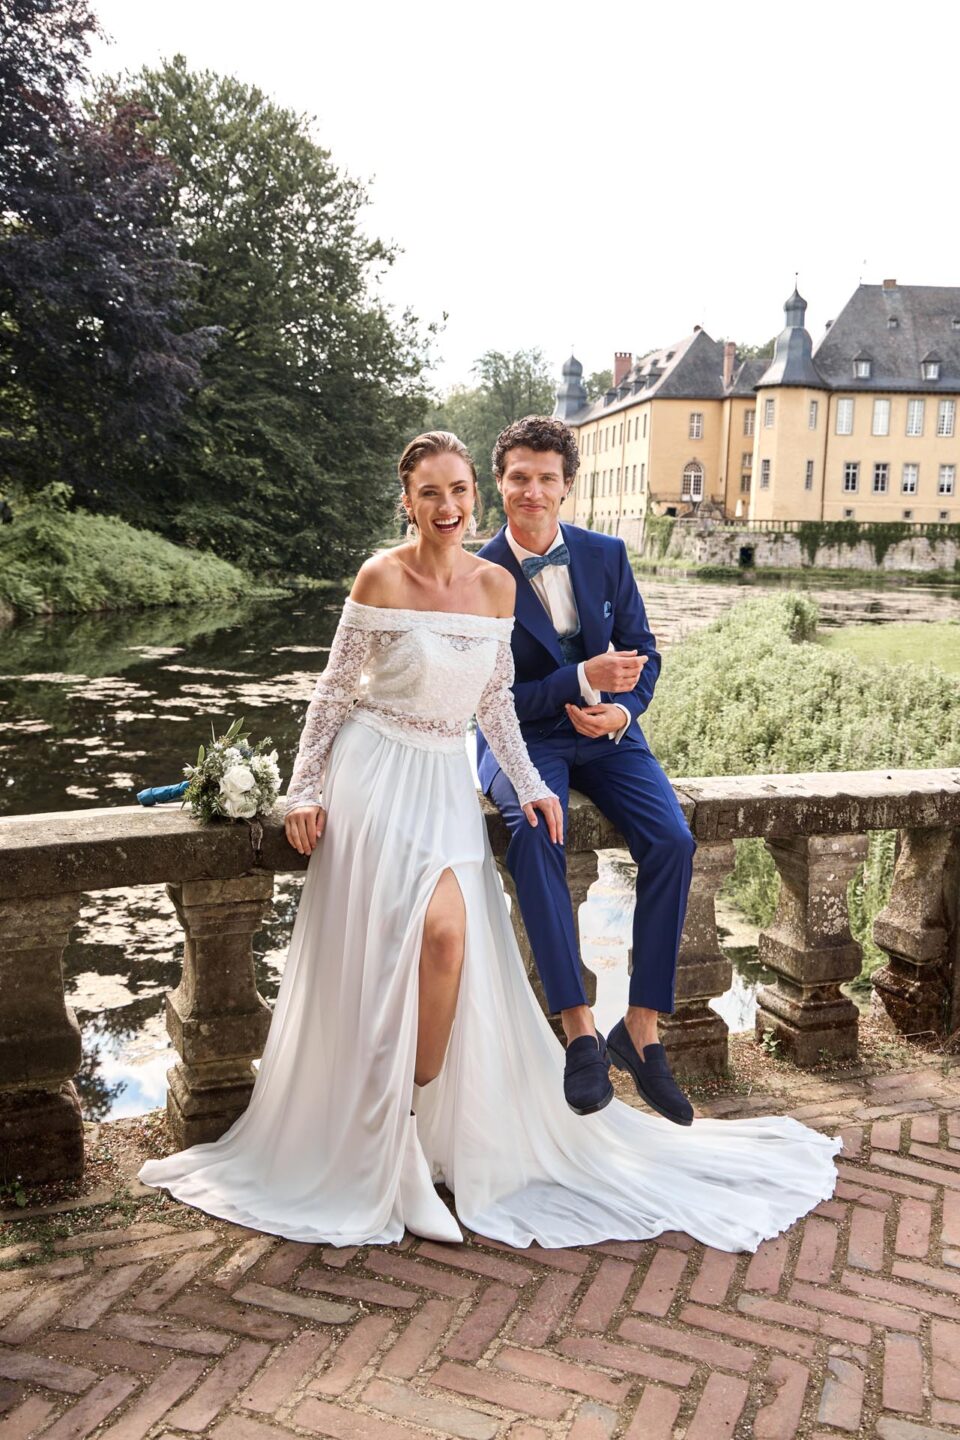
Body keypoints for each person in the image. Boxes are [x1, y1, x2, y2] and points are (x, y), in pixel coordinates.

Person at [138, 430, 840, 1252]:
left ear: (478, 495)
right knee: (397, 951)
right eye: (431, 492)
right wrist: (304, 789)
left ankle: (408, 1124)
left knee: (445, 945)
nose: (448, 507)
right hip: (373, 774)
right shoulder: (379, 575)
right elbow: (332, 694)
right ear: (407, 499)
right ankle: (387, 1151)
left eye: (460, 491)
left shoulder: (493, 585)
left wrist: (535, 786)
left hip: (440, 778)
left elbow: (496, 703)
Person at [477, 415, 696, 1122]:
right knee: (537, 834)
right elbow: (488, 697)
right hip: (521, 736)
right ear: (500, 483)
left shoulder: (606, 554)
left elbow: (644, 653)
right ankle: (578, 1031)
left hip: (608, 734)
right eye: (519, 478)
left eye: (546, 479)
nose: (532, 492)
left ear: (568, 485)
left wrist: (622, 710)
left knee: (673, 841)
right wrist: (580, 678)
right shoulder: (477, 574)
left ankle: (640, 1029)